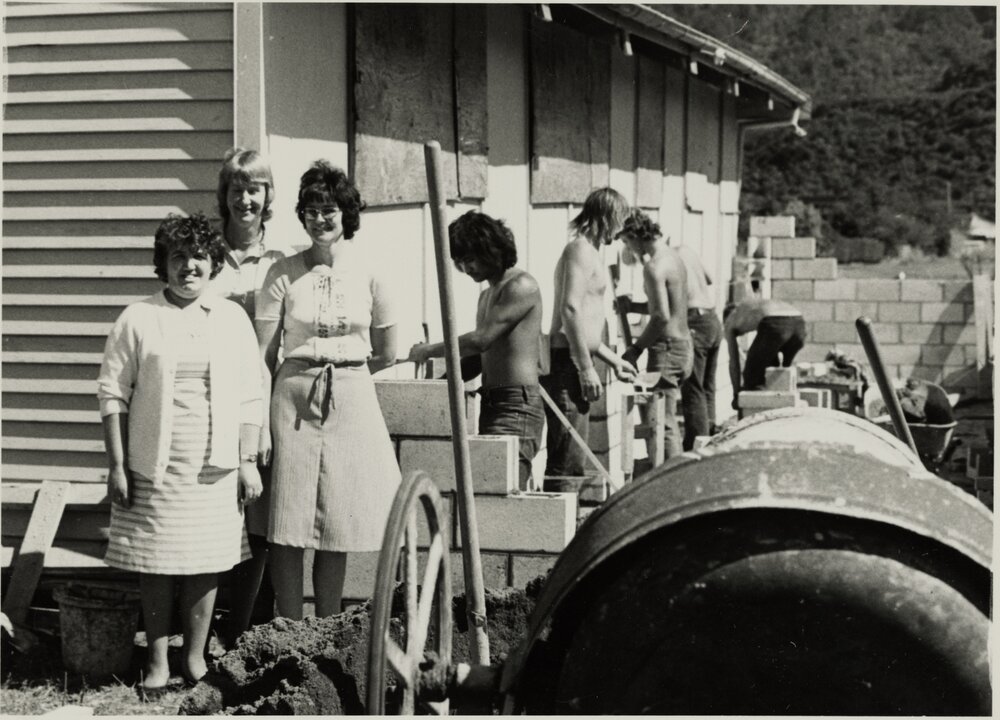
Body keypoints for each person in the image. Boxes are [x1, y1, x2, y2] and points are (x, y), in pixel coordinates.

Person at [98, 213, 263, 692]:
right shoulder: (138, 317)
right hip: (154, 463)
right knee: (156, 563)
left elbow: (251, 394)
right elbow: (113, 394)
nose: (189, 267)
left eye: (199, 258)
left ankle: (193, 660)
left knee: (204, 560)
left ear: (213, 265)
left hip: (214, 465)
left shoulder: (232, 318)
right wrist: (117, 465)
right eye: (178, 257)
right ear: (162, 264)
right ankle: (155, 663)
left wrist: (247, 460)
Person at [256, 160, 400, 620]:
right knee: (287, 518)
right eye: (312, 209)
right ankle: (290, 627)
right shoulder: (283, 272)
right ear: (302, 215)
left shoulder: (373, 272)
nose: (321, 218)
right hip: (292, 395)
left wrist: (344, 374)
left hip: (350, 395)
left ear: (347, 214)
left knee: (335, 519)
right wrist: (260, 423)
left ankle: (329, 627)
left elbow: (388, 352)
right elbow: (263, 355)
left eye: (331, 209)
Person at [407, 211, 545, 490]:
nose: (466, 268)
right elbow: (477, 359)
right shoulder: (487, 295)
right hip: (492, 402)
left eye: (470, 259)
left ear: (490, 249)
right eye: (459, 262)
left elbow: (481, 340)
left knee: (503, 491)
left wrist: (428, 350)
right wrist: (433, 389)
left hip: (517, 405)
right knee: (487, 490)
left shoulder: (521, 286)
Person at [210, 147, 284, 646]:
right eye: (236, 189)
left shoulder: (281, 263)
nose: (245, 199)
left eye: (254, 189)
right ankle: (203, 625)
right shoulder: (207, 256)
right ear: (225, 196)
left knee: (259, 511)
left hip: (266, 395)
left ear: (267, 196)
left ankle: (248, 631)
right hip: (212, 395)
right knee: (213, 508)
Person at [542, 188, 638, 480]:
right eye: (620, 221)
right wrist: (585, 368)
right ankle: (559, 524)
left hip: (579, 357)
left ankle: (568, 521)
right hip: (568, 362)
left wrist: (613, 360)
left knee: (574, 456)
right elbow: (569, 309)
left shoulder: (592, 252)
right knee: (567, 458)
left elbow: (586, 321)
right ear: (607, 217)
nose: (621, 231)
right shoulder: (580, 250)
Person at [616, 209, 693, 460]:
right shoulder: (674, 257)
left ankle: (671, 484)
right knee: (666, 420)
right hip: (683, 345)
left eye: (626, 242)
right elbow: (669, 306)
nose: (628, 249)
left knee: (661, 423)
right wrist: (633, 307)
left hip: (667, 350)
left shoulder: (653, 267)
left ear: (635, 235)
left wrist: (635, 349)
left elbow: (660, 316)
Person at [675, 244, 722, 450]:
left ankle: (697, 446)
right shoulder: (688, 251)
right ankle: (710, 440)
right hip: (711, 318)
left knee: (692, 388)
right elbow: (710, 279)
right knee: (706, 386)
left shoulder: (669, 260)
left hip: (695, 320)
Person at [723, 296, 806, 405]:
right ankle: (782, 411)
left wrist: (736, 394)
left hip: (776, 323)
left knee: (751, 375)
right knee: (777, 373)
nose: (741, 335)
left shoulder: (729, 322)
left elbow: (734, 363)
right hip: (799, 324)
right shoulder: (753, 306)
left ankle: (752, 415)